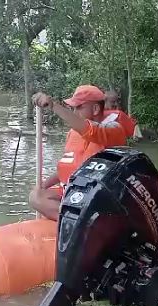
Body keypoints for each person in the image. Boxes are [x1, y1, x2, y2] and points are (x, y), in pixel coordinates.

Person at [29, 85, 127, 221]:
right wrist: (42, 186)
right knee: (36, 196)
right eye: (73, 108)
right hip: (72, 194)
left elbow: (90, 130)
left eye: (79, 107)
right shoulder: (73, 133)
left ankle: (81, 223)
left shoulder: (114, 129)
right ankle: (77, 220)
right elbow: (67, 166)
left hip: (97, 197)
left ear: (96, 109)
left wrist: (53, 105)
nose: (74, 112)